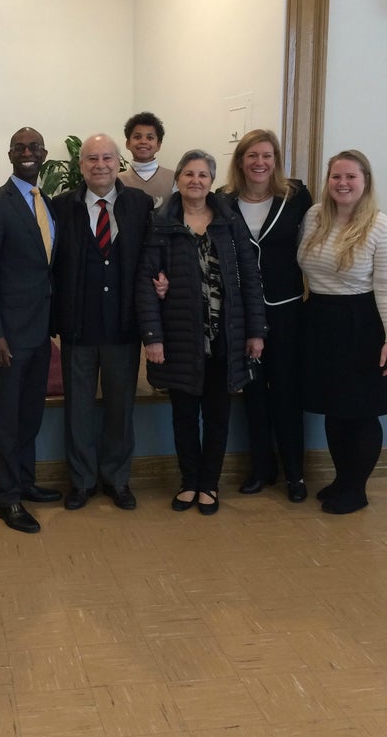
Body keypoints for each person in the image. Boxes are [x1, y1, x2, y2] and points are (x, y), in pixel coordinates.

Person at [137, 149, 266, 515]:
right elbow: (147, 282)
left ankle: (209, 484)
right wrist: (153, 337)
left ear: (212, 182)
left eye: (203, 175)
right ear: (177, 179)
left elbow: (251, 279)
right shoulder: (161, 222)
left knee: (217, 415)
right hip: (179, 336)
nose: (196, 180)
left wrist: (256, 332)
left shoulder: (229, 221)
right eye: (189, 174)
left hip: (225, 335)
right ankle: (188, 481)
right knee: (183, 416)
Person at [52, 133, 153, 511]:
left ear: (119, 163)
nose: (100, 165)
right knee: (77, 408)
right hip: (78, 326)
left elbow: (150, 257)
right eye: (92, 159)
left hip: (123, 327)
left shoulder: (140, 205)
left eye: (107, 158)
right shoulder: (62, 206)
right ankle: (80, 482)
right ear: (81, 166)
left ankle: (116, 479)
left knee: (119, 408)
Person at [0, 127, 61, 534]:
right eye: (20, 147)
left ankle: (25, 481)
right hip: (7, 335)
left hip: (41, 333)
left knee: (30, 415)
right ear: (10, 154)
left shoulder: (50, 205)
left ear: (43, 154)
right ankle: (7, 497)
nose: (27, 153)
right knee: (7, 419)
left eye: (34, 147)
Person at [220, 129, 312, 502]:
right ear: (240, 161)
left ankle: (295, 473)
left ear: (276, 160)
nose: (260, 163)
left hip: (287, 308)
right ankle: (261, 468)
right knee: (254, 392)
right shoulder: (223, 201)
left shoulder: (296, 197)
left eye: (267, 156)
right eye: (252, 156)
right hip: (242, 312)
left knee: (287, 391)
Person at [298, 150, 387, 514]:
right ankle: (341, 478)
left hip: (361, 322)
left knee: (361, 409)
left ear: (365, 182)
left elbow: (385, 285)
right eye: (337, 177)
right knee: (335, 407)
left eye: (351, 177)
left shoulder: (378, 225)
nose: (343, 183)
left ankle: (356, 488)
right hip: (319, 319)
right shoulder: (314, 216)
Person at [118, 111, 175, 209]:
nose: (143, 141)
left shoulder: (173, 178)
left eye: (150, 138)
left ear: (158, 145)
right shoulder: (117, 180)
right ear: (128, 143)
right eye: (137, 137)